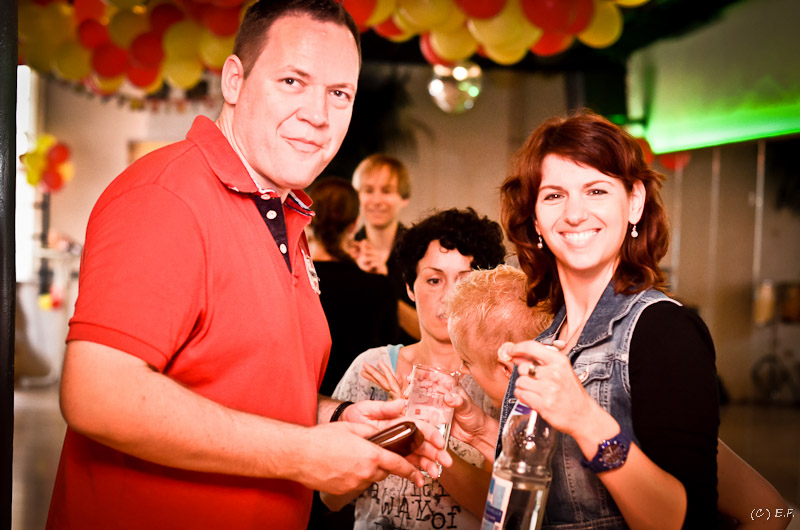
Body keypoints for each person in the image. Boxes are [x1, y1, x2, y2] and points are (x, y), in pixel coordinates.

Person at [46, 2, 450, 529]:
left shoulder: (282, 212)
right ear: (234, 80)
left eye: (339, 94)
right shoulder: (168, 197)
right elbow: (97, 394)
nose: (318, 115)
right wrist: (302, 454)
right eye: (292, 81)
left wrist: (333, 418)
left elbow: (237, 388)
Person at [494, 110, 720, 528]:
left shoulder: (664, 331)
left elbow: (689, 522)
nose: (574, 214)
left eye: (596, 191)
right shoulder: (547, 344)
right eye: (554, 196)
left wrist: (584, 419)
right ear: (536, 218)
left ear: (634, 203)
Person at [446, 266, 791, 530]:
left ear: (510, 366)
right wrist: (481, 434)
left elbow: (772, 510)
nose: (462, 372)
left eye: (466, 363)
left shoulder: (631, 402)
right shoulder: (527, 421)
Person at [321, 208, 506, 530]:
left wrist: (419, 433)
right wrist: (391, 435)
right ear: (409, 287)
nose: (449, 297)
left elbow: (499, 510)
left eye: (465, 281)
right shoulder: (372, 368)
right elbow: (330, 497)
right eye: (434, 280)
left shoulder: (497, 379)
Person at [306, 177, 399, 397]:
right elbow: (391, 353)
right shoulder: (378, 286)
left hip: (303, 396)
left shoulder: (296, 280)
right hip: (358, 401)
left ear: (309, 220)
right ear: (354, 224)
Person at [351, 153, 419, 343]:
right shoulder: (344, 252)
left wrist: (383, 287)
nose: (377, 200)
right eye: (368, 190)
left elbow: (431, 333)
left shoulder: (421, 252)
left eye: (386, 191)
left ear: (404, 198)